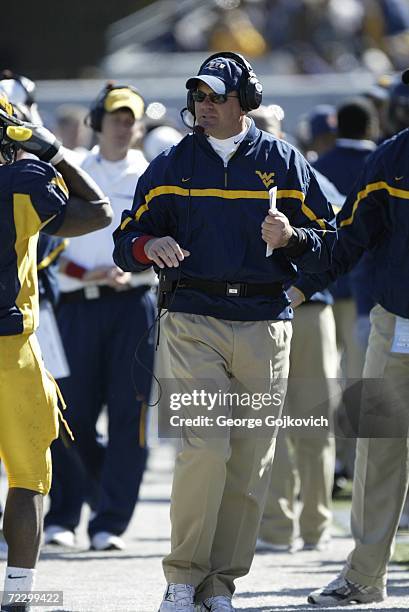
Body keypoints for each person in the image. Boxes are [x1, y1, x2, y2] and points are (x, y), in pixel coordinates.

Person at [113, 52, 336, 612]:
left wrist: (293, 239)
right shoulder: (168, 164)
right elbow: (127, 236)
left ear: (246, 103)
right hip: (191, 318)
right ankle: (183, 577)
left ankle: (220, 584)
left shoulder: (285, 162)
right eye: (198, 97)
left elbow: (329, 238)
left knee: (251, 459)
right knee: (203, 449)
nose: (203, 106)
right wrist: (147, 247)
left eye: (215, 97)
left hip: (265, 322)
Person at [288, 67, 409, 607]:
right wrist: (301, 285)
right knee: (375, 451)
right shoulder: (390, 160)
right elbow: (349, 235)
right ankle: (364, 576)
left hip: (390, 322)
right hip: (395, 325)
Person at [0, 93, 112, 612]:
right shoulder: (19, 183)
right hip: (9, 349)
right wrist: (55, 153)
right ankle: (18, 596)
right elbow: (98, 212)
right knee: (27, 480)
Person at [44, 83, 156, 552]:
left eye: (131, 118)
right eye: (115, 117)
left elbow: (167, 238)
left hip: (134, 306)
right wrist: (88, 271)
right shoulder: (72, 170)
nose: (124, 126)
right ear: (97, 121)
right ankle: (66, 513)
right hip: (77, 306)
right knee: (69, 415)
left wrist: (133, 269)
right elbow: (50, 246)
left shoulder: (152, 172)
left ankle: (109, 521)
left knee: (130, 418)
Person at [251, 105, 338, 554]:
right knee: (270, 424)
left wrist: (301, 290)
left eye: (268, 129)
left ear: (283, 132)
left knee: (313, 420)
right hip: (262, 314)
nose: (263, 138)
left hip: (307, 310)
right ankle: (276, 527)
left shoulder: (308, 178)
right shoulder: (236, 179)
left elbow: (338, 245)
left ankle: (316, 527)